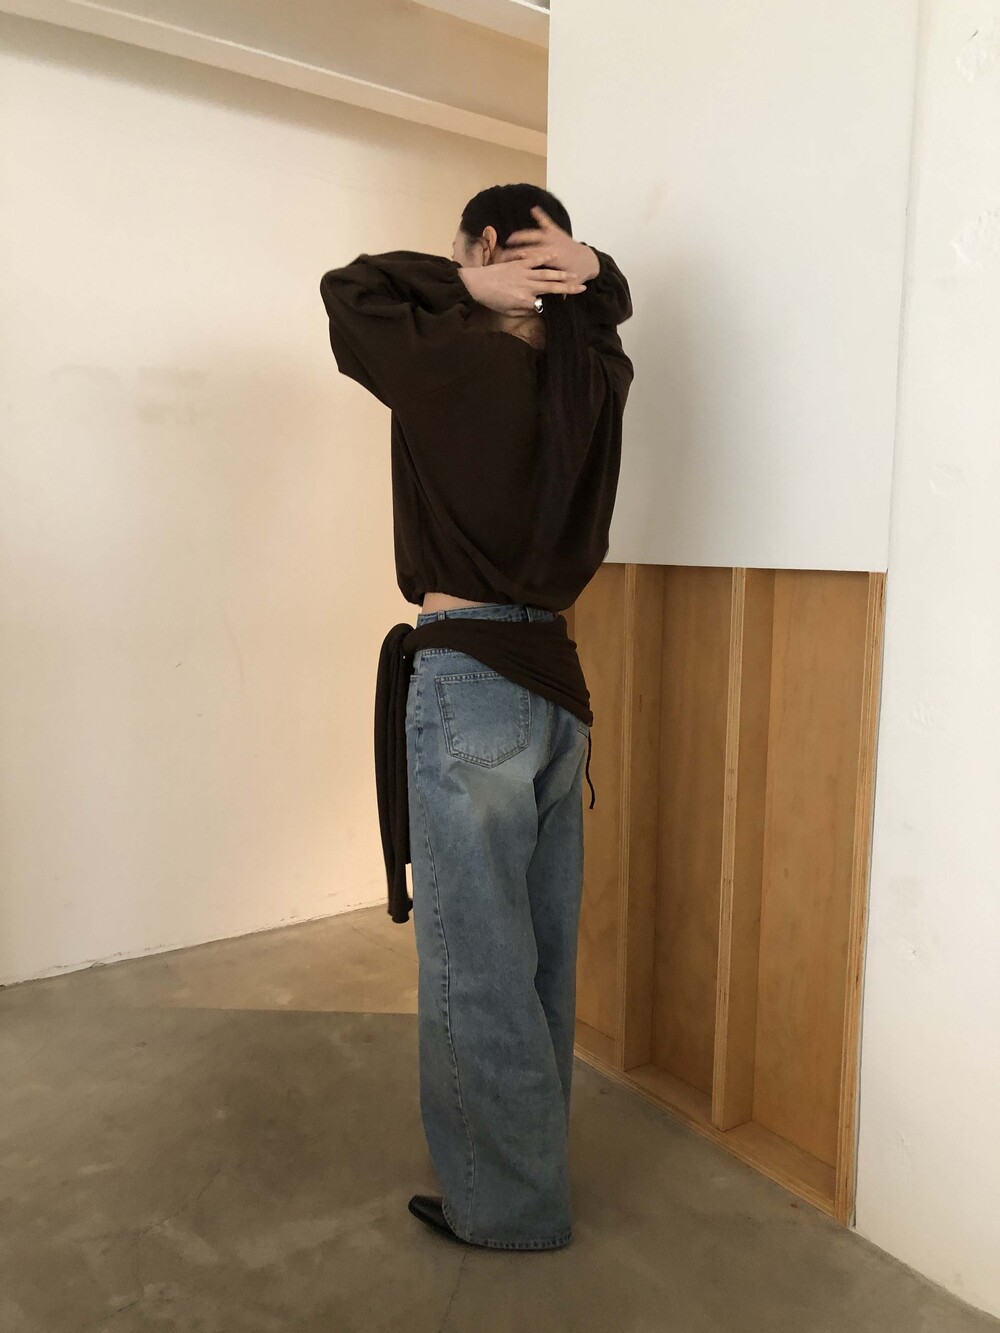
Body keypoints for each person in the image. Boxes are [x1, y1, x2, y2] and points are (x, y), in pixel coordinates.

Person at [319, 183, 633, 1252]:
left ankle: (503, 1209)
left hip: (470, 684)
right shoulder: (594, 377)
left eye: (470, 254)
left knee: (474, 961)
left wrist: (466, 285)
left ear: (487, 245)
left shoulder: (450, 358)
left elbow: (350, 290)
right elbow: (606, 311)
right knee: (537, 955)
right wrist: (593, 276)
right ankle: (528, 1178)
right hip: (558, 691)